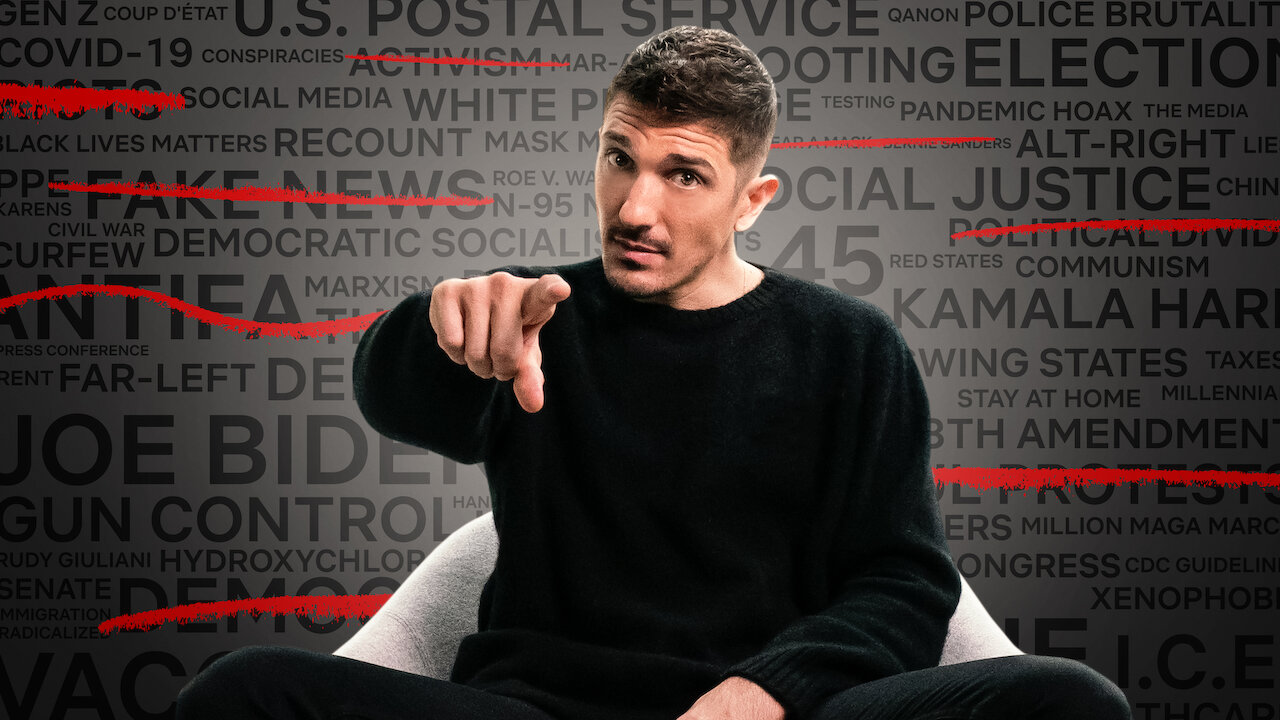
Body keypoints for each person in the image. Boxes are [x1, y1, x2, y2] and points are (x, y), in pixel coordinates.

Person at [177, 26, 1131, 720]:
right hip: (537, 708)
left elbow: (905, 579)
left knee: (1071, 702)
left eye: (683, 174)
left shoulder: (851, 347)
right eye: (618, 157)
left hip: (773, 712)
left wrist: (765, 690)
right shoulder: (538, 312)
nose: (635, 208)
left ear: (752, 198)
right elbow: (395, 398)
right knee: (245, 691)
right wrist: (437, 329)